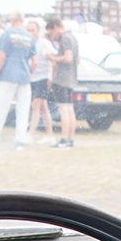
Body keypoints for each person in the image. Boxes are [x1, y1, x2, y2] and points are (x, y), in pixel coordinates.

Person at [0, 12, 34, 149]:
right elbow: (34, 61)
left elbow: (2, 56)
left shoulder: (6, 35)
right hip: (24, 77)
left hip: (8, 76)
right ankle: (20, 141)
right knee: (23, 110)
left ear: (12, 20)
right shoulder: (29, 37)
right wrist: (28, 73)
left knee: (1, 108)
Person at [46, 17, 78, 148]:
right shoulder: (72, 37)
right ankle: (70, 139)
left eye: (51, 32)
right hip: (71, 78)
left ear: (56, 28)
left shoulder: (64, 38)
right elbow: (76, 59)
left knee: (63, 110)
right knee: (69, 109)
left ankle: (64, 139)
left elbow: (68, 58)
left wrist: (53, 57)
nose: (52, 36)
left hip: (62, 79)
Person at [26, 19, 55, 144]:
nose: (30, 32)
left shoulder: (44, 43)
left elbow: (52, 60)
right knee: (43, 108)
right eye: (28, 30)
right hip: (33, 78)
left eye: (32, 30)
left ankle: (30, 134)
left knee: (36, 105)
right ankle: (50, 135)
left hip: (43, 78)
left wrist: (50, 78)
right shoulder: (27, 43)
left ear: (38, 31)